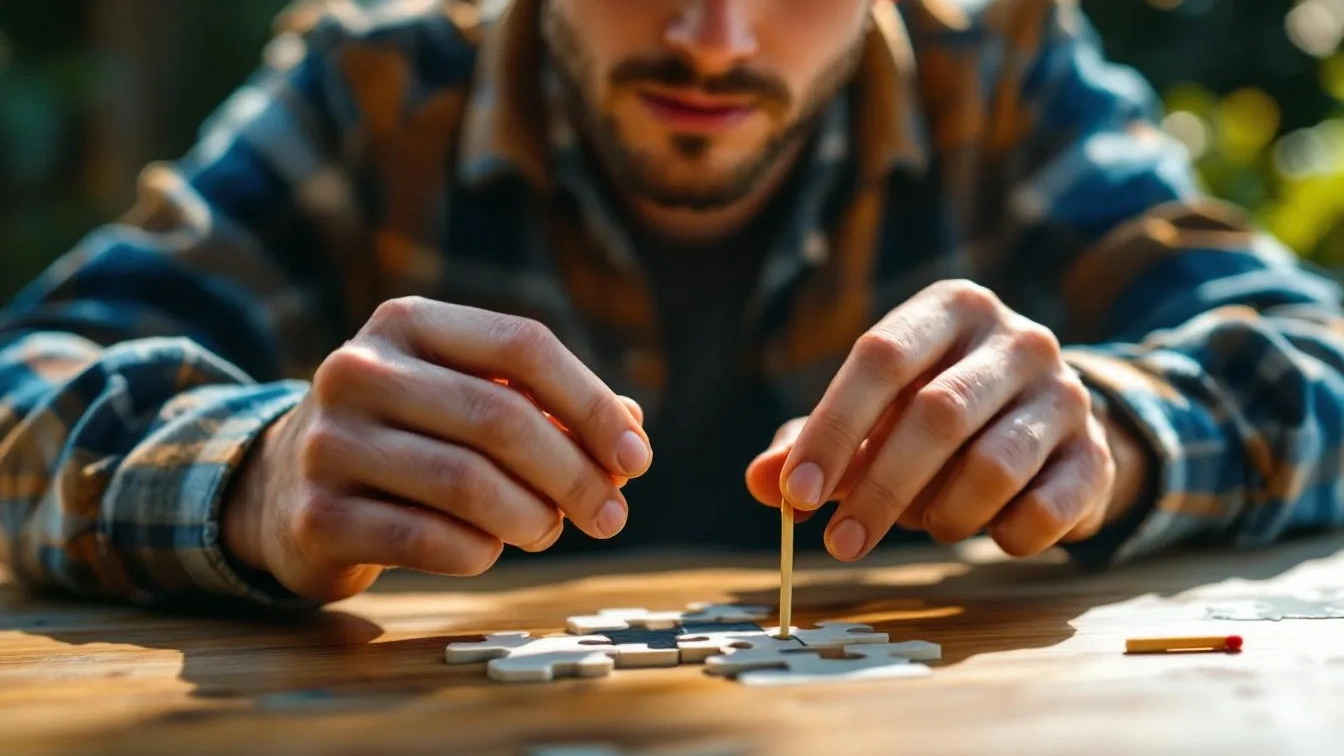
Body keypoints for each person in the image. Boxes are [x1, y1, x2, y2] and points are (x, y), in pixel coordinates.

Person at [2, 0, 1342, 610]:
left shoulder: (999, 69)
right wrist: (246, 474)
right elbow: (28, 380)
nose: (716, 39)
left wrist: (1105, 427)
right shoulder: (373, 85)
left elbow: (1315, 354)